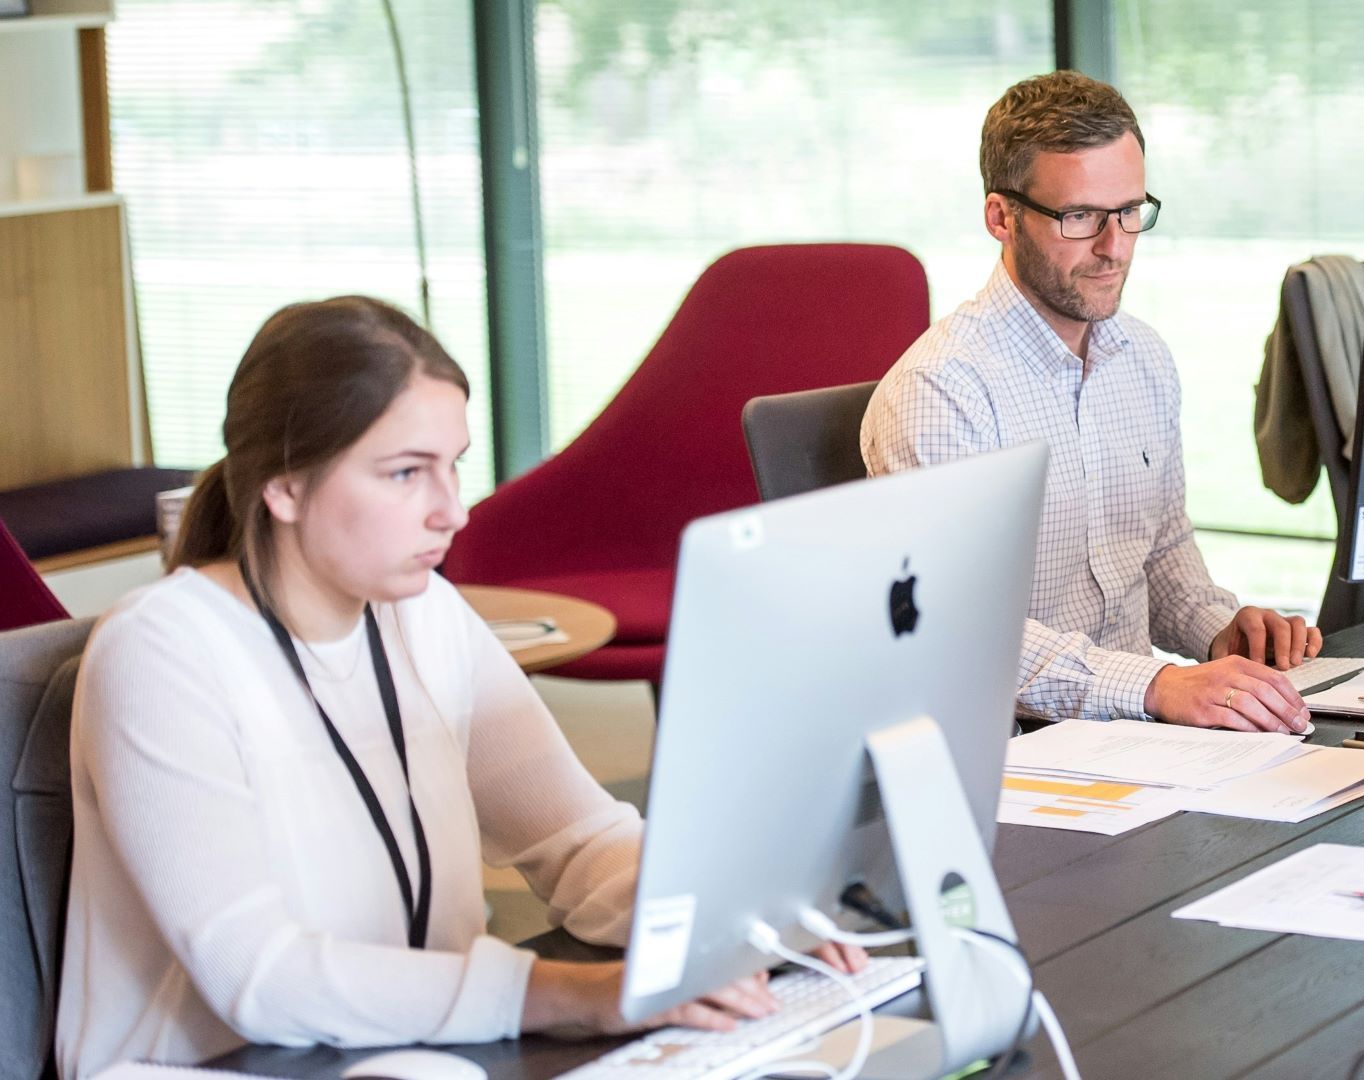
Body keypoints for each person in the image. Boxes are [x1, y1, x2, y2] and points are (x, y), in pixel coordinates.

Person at [57, 297, 860, 1075]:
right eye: (406, 473)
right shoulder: (162, 652)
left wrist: (742, 919)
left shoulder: (423, 614)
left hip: (416, 1052)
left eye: (454, 468)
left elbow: (580, 842)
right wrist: (577, 996)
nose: (453, 512)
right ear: (285, 486)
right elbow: (263, 979)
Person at [861, 71, 1320, 734]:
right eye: (1079, 217)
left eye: (1130, 211)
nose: (1115, 247)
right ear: (1001, 216)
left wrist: (1224, 633)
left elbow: (1160, 552)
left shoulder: (1143, 359)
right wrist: (1159, 684)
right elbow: (962, 632)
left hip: (1138, 739)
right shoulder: (943, 391)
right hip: (1018, 757)